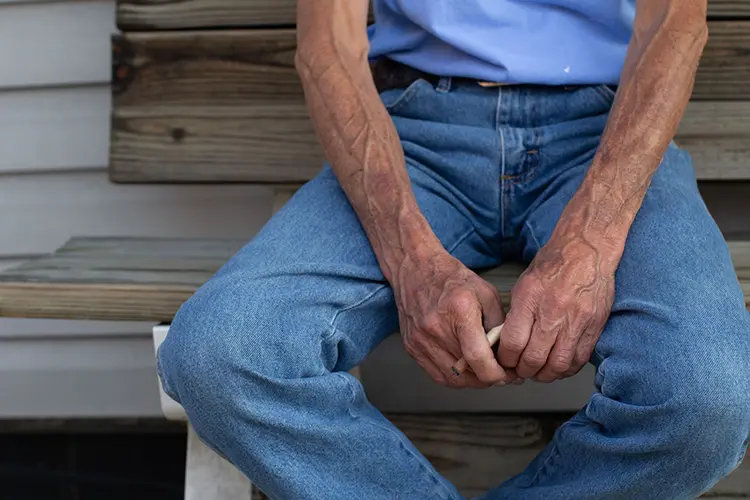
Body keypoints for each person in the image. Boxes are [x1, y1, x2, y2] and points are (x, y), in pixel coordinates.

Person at [156, 0, 750, 498]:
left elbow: (676, 24)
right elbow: (327, 45)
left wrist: (592, 239)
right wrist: (411, 260)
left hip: (605, 133)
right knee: (221, 353)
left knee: (709, 394)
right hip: (411, 135)